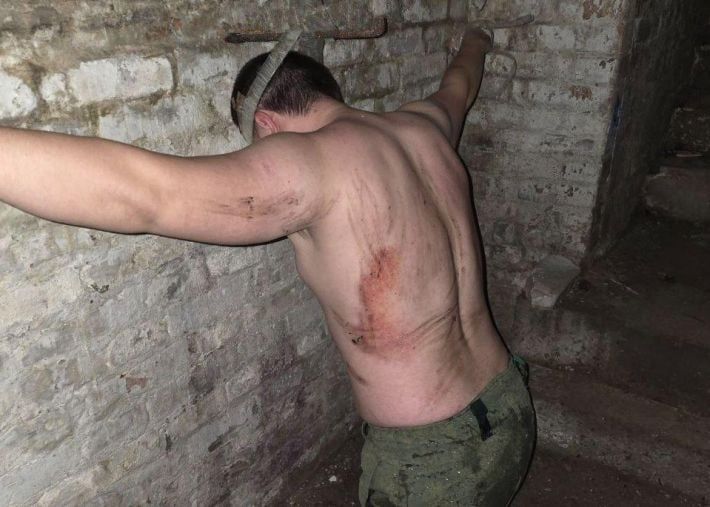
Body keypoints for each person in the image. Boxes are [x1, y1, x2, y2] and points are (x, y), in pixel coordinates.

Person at [0, 27, 534, 505]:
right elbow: (460, 83)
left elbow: (148, 198)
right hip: (508, 403)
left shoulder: (311, 161)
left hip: (433, 461)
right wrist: (476, 40)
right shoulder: (427, 124)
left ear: (266, 123)